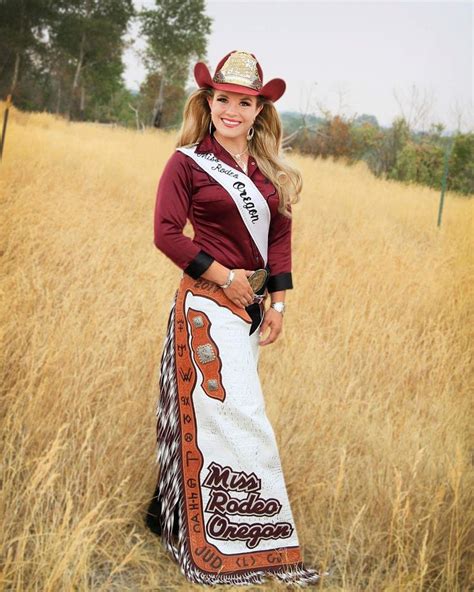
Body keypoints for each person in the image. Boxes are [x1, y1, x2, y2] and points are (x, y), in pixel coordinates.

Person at [145, 49, 324, 586]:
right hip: (205, 304)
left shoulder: (268, 172)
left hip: (250, 309)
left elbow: (281, 237)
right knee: (241, 416)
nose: (233, 110)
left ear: (258, 111)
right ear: (209, 101)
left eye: (245, 103)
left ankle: (167, 516)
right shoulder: (185, 162)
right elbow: (166, 234)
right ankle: (251, 546)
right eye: (224, 99)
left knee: (213, 417)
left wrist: (280, 303)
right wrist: (226, 277)